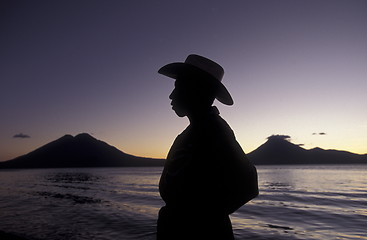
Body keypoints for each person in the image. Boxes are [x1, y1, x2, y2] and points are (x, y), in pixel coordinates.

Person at [157, 54, 258, 240]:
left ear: (196, 90)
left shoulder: (215, 131)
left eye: (178, 87)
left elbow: (248, 184)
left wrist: (201, 220)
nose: (171, 95)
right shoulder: (192, 132)